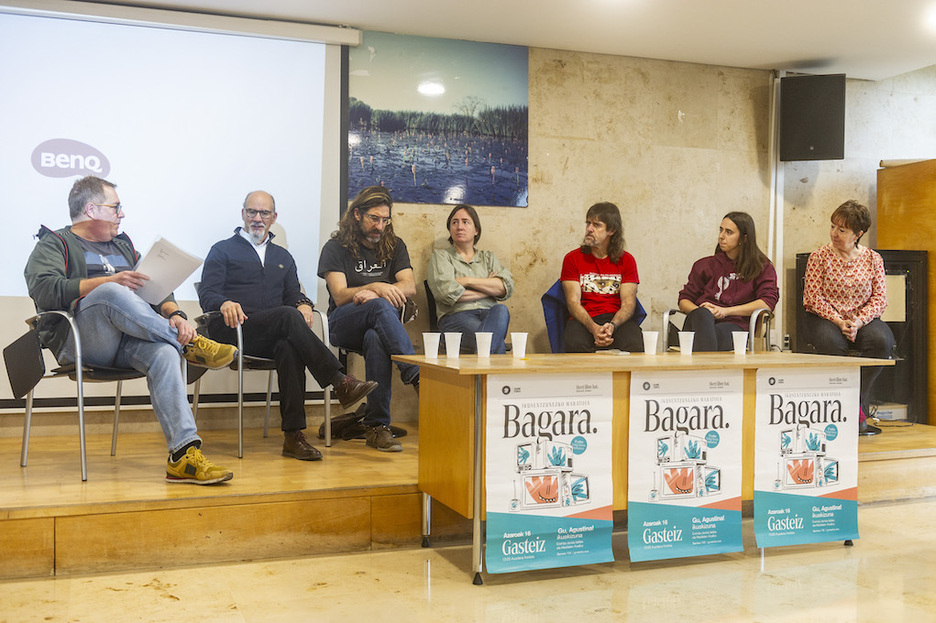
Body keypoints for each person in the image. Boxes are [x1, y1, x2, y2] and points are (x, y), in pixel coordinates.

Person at [24, 176, 237, 484]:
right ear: (92, 209)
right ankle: (190, 345)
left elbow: (153, 287)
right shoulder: (54, 243)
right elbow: (44, 290)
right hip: (81, 342)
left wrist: (175, 313)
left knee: (165, 352)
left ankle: (183, 457)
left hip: (125, 340)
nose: (121, 214)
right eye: (116, 207)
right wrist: (107, 283)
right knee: (111, 293)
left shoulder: (124, 246)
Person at [198, 191, 379, 461]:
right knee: (286, 317)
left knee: (289, 346)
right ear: (243, 214)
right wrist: (223, 301)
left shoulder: (283, 256)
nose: (258, 218)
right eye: (252, 212)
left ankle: (293, 437)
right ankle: (339, 380)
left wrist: (304, 302)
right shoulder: (222, 249)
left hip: (271, 333)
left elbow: (293, 294)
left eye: (264, 213)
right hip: (233, 330)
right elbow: (207, 294)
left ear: (274, 218)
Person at [317, 186, 419, 452]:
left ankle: (377, 427)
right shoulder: (335, 247)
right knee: (378, 307)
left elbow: (410, 287)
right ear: (357, 215)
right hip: (342, 322)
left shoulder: (394, 245)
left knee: (376, 336)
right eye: (375, 218)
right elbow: (339, 295)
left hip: (379, 325)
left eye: (385, 220)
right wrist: (377, 287)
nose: (380, 226)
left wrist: (376, 289)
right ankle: (417, 376)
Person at [803, 200, 895, 436]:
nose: (834, 233)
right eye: (833, 226)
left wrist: (859, 322)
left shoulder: (873, 259)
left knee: (883, 342)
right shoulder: (819, 256)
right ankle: (844, 408)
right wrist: (839, 321)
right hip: (826, 317)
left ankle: (855, 400)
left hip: (861, 318)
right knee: (831, 343)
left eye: (841, 230)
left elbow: (880, 299)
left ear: (858, 234)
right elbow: (813, 297)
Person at [677, 211, 779, 351]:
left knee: (715, 335)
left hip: (735, 325)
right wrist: (704, 312)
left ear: (744, 238)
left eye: (729, 232)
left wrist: (725, 311)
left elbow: (767, 303)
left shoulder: (761, 266)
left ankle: (703, 370)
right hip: (700, 322)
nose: (721, 236)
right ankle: (711, 370)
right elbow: (684, 300)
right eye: (721, 230)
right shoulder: (704, 265)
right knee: (703, 316)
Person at [427, 204, 513, 354]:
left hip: (490, 315)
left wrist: (466, 281)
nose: (459, 226)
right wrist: (488, 289)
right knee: (495, 342)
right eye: (455, 222)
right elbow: (446, 293)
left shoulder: (489, 258)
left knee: (501, 309)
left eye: (465, 222)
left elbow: (505, 287)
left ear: (476, 230)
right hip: (455, 317)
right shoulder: (441, 257)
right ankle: (488, 375)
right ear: (450, 229)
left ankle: (480, 374)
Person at [560, 202, 643, 353]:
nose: (589, 229)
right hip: (585, 319)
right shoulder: (572, 259)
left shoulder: (627, 260)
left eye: (597, 225)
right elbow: (573, 302)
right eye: (588, 223)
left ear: (611, 230)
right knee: (574, 342)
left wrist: (612, 326)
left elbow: (628, 304)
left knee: (634, 341)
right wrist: (593, 328)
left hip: (615, 319)